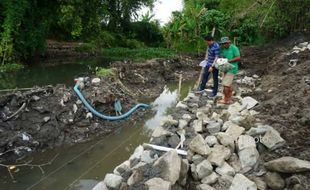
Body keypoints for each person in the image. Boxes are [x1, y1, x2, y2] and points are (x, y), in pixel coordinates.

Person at [218, 37, 241, 104]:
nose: (224, 45)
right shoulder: (224, 50)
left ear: (229, 43)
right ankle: (229, 98)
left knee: (226, 85)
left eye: (225, 43)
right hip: (226, 68)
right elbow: (224, 58)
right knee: (227, 84)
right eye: (223, 44)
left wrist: (229, 60)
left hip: (232, 68)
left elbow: (238, 57)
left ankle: (226, 100)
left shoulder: (234, 48)